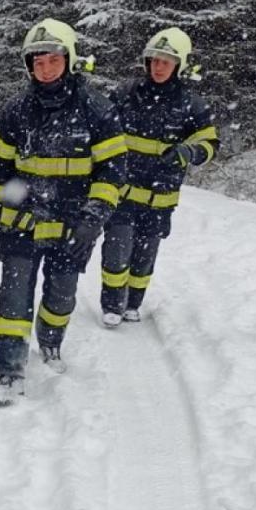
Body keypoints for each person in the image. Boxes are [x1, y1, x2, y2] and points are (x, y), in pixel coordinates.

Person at [0, 19, 127, 405]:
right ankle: (7, 369)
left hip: (73, 226)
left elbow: (112, 172)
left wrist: (93, 219)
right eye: (38, 62)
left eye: (53, 61)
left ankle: (50, 340)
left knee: (61, 296)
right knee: (13, 297)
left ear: (69, 60)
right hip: (22, 222)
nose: (45, 69)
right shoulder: (15, 111)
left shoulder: (97, 110)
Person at [99, 27, 219, 326]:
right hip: (122, 193)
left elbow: (209, 143)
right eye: (154, 60)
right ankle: (112, 304)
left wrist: (190, 152)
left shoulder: (192, 105)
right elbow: (102, 129)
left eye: (166, 61)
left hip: (160, 198)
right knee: (117, 248)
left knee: (144, 255)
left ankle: (133, 303)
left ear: (179, 65)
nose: (159, 67)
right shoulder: (126, 94)